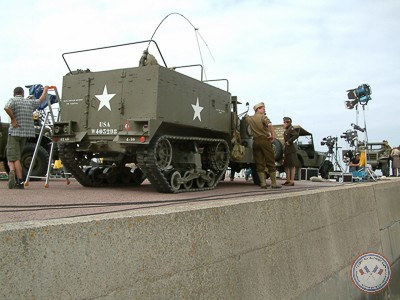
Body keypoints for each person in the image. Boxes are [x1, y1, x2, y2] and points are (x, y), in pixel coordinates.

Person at [4, 86, 49, 189]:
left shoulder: (13, 100)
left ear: (14, 93)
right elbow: (40, 100)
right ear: (23, 93)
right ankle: (20, 182)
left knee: (11, 158)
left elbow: (6, 107)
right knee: (17, 157)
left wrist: (13, 119)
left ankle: (13, 174)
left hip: (14, 132)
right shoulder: (28, 102)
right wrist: (45, 90)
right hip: (25, 134)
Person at [245, 102, 281, 189]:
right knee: (270, 160)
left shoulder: (250, 118)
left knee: (259, 162)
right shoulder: (263, 117)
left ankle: (263, 183)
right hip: (265, 140)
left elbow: (244, 118)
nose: (264, 109)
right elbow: (270, 125)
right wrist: (272, 135)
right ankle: (274, 183)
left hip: (255, 141)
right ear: (258, 109)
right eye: (263, 108)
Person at [282, 117, 299, 186]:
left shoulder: (291, 129)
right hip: (287, 149)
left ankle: (292, 181)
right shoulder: (287, 130)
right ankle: (288, 180)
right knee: (286, 165)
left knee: (292, 165)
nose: (283, 124)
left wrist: (289, 141)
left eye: (284, 122)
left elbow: (296, 135)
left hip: (291, 149)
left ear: (287, 122)